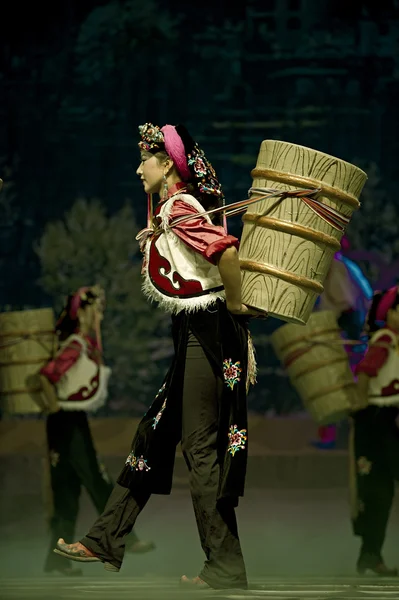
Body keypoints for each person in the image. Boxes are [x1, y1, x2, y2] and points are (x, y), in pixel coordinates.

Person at [53, 123, 257, 589]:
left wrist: (238, 303)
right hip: (194, 334)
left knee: (200, 447)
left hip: (208, 333)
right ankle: (106, 537)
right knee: (154, 434)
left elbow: (226, 252)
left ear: (167, 165)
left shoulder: (181, 206)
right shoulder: (172, 211)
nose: (137, 167)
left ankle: (225, 565)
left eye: (145, 159)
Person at [41, 286, 154, 576]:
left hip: (68, 422)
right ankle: (124, 538)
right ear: (84, 311)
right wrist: (54, 408)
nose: (99, 316)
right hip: (67, 422)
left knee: (67, 491)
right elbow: (47, 376)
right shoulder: (76, 344)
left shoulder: (80, 344)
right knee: (97, 480)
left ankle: (56, 561)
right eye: (97, 310)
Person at [351, 286, 399, 576]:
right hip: (379, 421)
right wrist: (361, 407)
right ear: (391, 313)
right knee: (377, 492)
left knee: (381, 492)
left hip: (386, 419)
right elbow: (366, 374)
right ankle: (370, 554)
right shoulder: (385, 340)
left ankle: (370, 555)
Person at [312, 241, 372, 449]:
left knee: (336, 385)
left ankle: (336, 437)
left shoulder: (336, 267)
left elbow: (347, 305)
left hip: (346, 334)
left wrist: (339, 335)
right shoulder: (341, 266)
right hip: (348, 332)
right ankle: (338, 436)